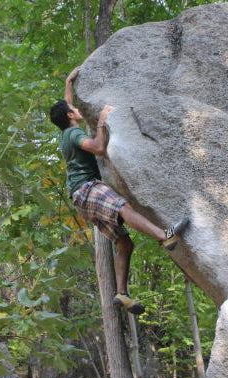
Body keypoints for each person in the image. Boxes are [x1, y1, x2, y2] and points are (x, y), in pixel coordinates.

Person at [49, 66, 189, 315]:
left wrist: (69, 82)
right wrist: (102, 120)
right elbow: (98, 147)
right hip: (87, 189)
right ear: (70, 115)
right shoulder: (73, 134)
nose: (78, 110)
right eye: (74, 109)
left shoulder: (65, 131)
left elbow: (66, 105)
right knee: (123, 207)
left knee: (124, 243)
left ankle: (121, 294)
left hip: (81, 199)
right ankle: (163, 235)